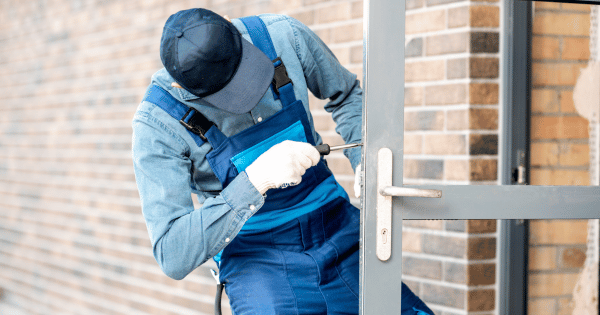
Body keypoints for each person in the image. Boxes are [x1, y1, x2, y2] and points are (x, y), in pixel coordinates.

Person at [132, 8, 433, 315]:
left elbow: (346, 95)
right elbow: (173, 253)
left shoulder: (282, 35)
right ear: (184, 88)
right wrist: (255, 181)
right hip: (257, 261)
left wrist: (364, 161)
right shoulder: (157, 125)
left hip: (338, 228)